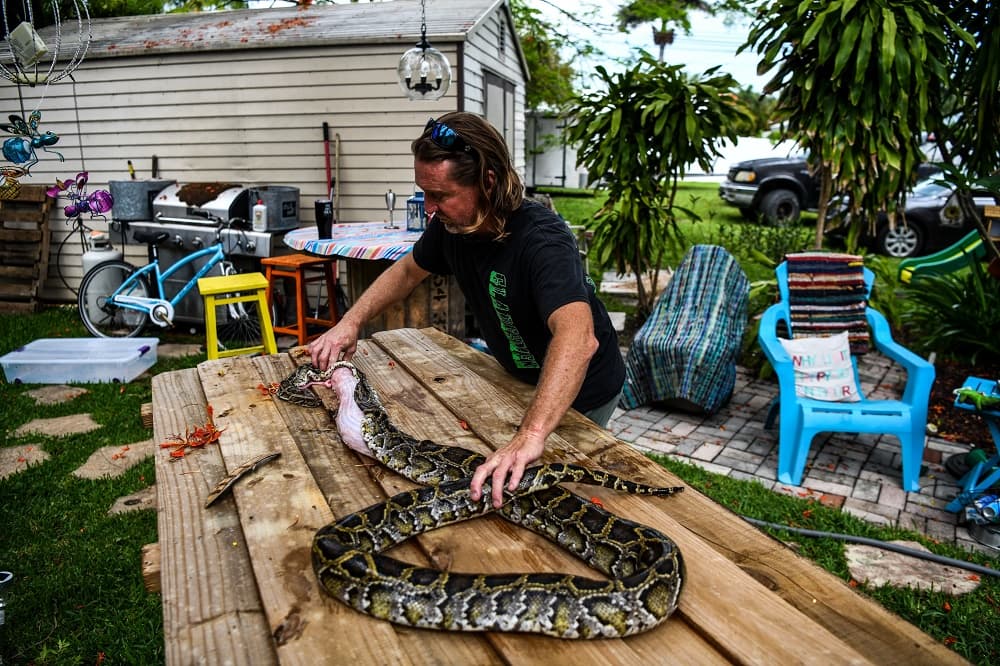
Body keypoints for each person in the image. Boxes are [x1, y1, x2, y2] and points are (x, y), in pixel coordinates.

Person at [309, 112, 624, 508]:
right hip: (523, 376)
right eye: (424, 193)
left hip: (583, 389)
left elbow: (578, 339)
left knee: (554, 495)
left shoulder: (542, 240)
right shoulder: (452, 227)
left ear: (487, 182)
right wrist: (349, 323)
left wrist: (531, 434)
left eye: (440, 195)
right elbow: (408, 270)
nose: (429, 208)